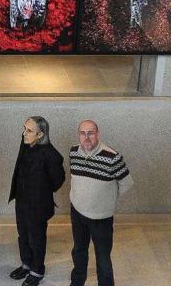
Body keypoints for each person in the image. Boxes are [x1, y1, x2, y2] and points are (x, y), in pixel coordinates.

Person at [68, 120, 133, 286]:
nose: (86, 137)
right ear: (79, 135)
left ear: (98, 134)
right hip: (77, 213)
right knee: (79, 251)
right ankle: (77, 282)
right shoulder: (73, 153)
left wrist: (106, 199)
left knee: (103, 259)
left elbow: (127, 183)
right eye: (82, 133)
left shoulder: (113, 157)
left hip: (101, 218)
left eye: (91, 133)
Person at [9, 116, 65, 286]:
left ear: (40, 134)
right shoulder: (26, 144)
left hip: (38, 205)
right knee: (23, 234)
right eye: (24, 128)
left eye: (29, 130)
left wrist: (41, 191)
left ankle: (37, 271)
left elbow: (58, 180)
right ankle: (26, 264)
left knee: (36, 238)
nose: (24, 133)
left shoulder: (51, 154)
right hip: (22, 201)